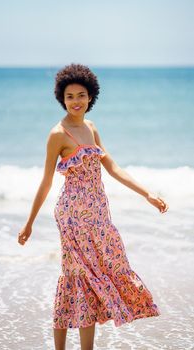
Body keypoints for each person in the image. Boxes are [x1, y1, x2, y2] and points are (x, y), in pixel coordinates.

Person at [18, 63, 169, 350]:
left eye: (81, 95)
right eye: (70, 96)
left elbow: (111, 166)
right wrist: (29, 223)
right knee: (79, 278)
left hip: (99, 214)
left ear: (91, 97)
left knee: (101, 272)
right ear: (62, 99)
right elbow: (46, 182)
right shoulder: (57, 134)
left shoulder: (91, 127)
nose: (76, 101)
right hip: (73, 216)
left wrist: (147, 193)